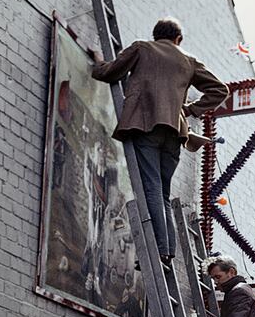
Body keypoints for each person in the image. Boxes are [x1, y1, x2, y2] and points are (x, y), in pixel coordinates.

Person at [92, 17, 228, 261]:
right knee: (162, 192)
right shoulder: (189, 60)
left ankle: (162, 250)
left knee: (152, 188)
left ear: (156, 35)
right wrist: (189, 109)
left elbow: (109, 73)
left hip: (145, 127)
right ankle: (167, 250)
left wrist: (98, 60)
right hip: (175, 133)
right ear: (178, 39)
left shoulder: (142, 48)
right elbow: (220, 90)